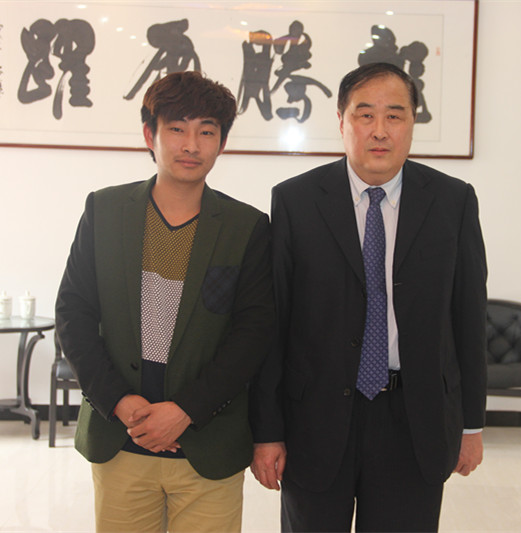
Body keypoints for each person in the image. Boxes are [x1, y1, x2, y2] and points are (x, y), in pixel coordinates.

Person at [249, 62, 487, 533]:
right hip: (315, 419)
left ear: (412, 122)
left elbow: (468, 318)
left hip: (414, 419)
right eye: (365, 115)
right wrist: (267, 432)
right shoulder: (296, 201)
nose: (380, 130)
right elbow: (275, 325)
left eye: (394, 115)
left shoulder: (452, 201)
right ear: (341, 121)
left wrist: (471, 425)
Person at [55, 71, 274, 533]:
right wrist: (118, 401)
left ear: (222, 143)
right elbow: (73, 314)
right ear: (149, 135)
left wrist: (186, 410)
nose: (191, 144)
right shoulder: (104, 211)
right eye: (177, 128)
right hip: (121, 438)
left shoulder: (247, 227)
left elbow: (253, 335)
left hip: (207, 445)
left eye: (207, 132)